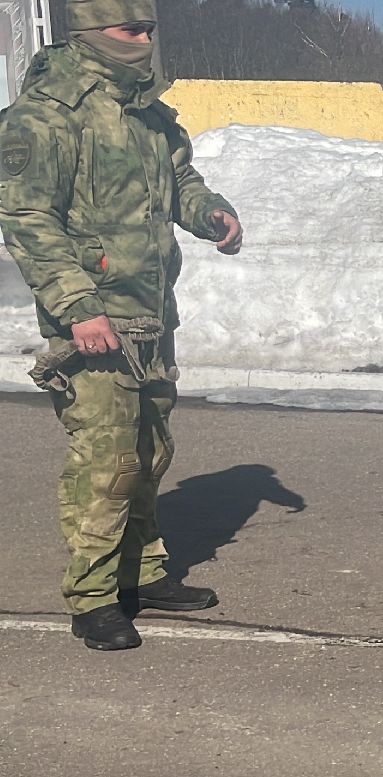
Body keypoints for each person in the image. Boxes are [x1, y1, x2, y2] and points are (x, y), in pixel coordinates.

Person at [0, 0, 243, 651]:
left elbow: (180, 180)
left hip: (149, 314)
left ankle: (142, 572)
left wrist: (210, 213)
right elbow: (27, 219)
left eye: (149, 30)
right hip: (92, 321)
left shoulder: (150, 115)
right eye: (129, 29)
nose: (142, 41)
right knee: (107, 460)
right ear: (89, 33)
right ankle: (92, 597)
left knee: (150, 454)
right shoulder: (49, 114)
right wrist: (77, 306)